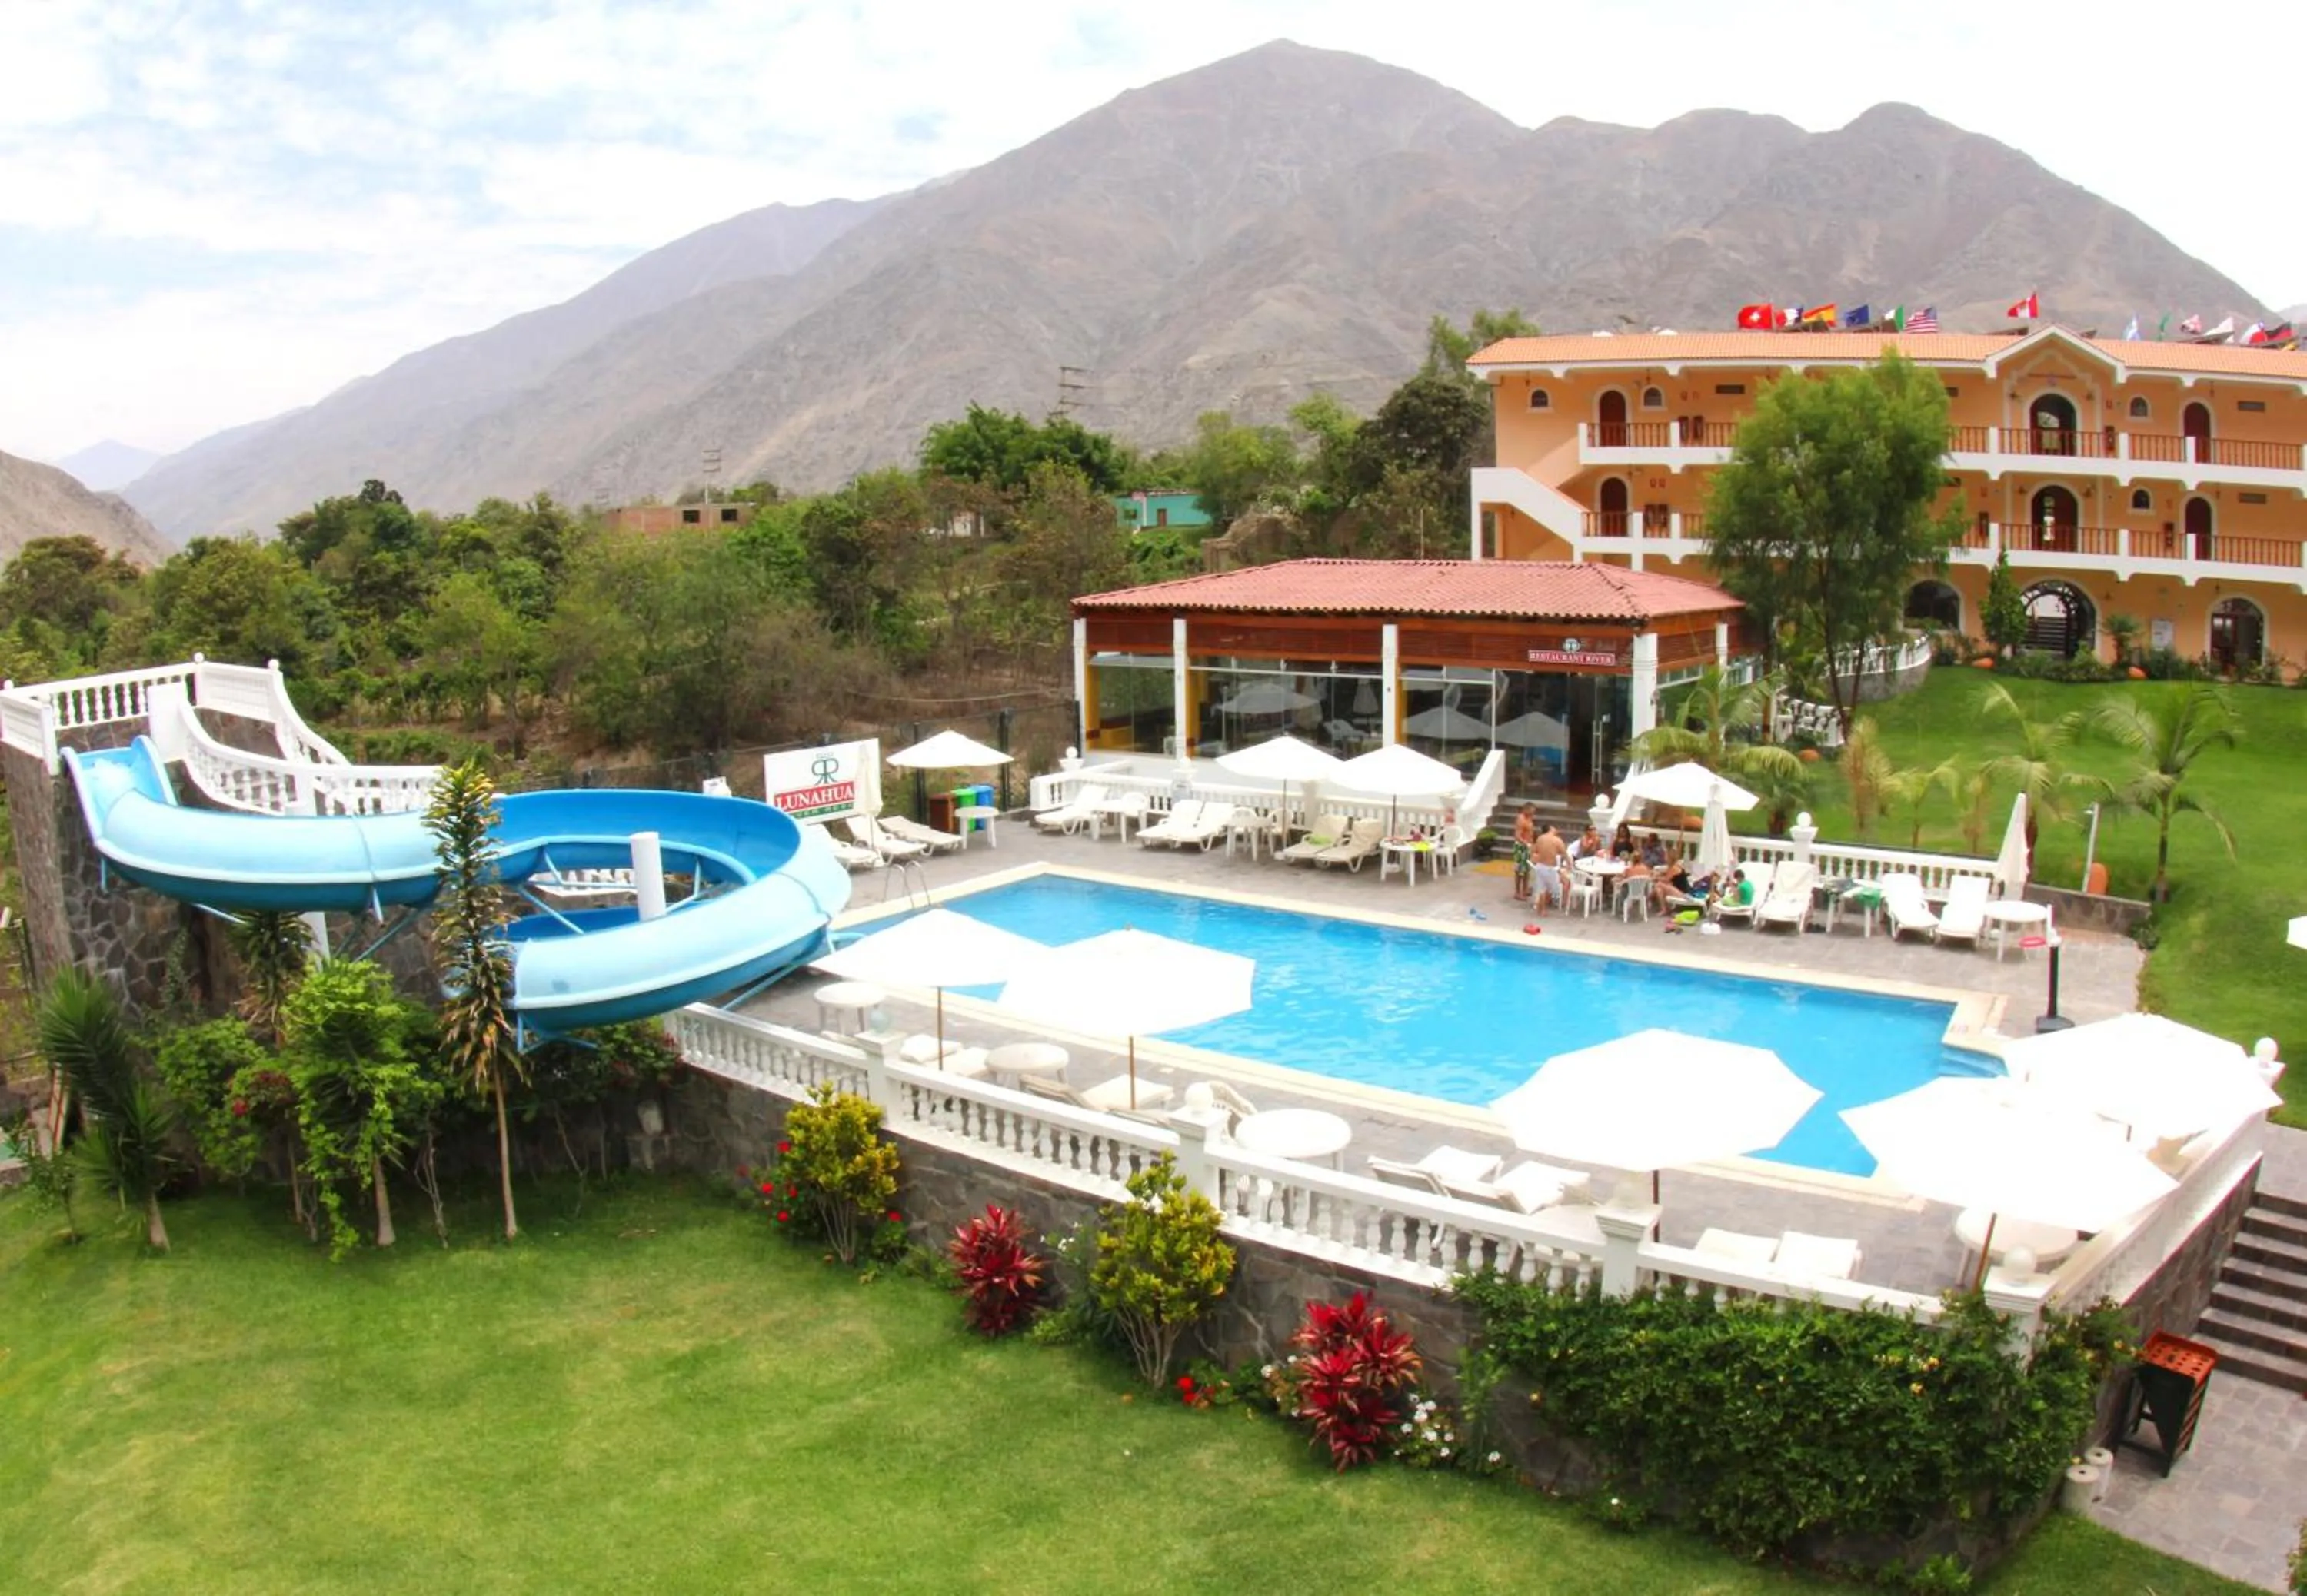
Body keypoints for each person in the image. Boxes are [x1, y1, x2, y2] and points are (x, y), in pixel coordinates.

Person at [1531, 823, 1567, 913]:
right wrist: (1570, 864)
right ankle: (1544, 905)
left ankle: (1541, 908)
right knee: (1553, 889)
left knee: (1542, 889)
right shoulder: (1557, 840)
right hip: (1550, 868)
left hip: (1540, 866)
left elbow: (1534, 852)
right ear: (1550, 829)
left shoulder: (1540, 839)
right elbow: (1564, 853)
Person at [1511, 803, 1536, 902]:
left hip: (1527, 846)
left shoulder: (1529, 818)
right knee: (1520, 871)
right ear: (1526, 810)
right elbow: (1518, 835)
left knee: (1526, 870)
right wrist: (1526, 843)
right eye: (1531, 811)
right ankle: (1517, 892)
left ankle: (1525, 889)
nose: (1533, 814)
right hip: (1521, 847)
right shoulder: (1521, 819)